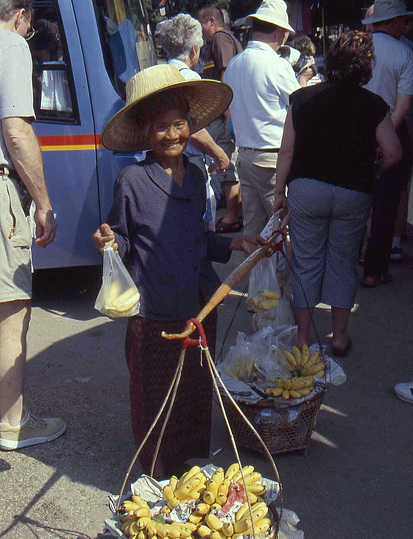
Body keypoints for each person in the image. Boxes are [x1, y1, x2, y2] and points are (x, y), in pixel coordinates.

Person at [92, 65, 270, 478]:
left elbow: (197, 237)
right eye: (161, 128)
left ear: (191, 125)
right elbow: (121, 237)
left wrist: (234, 242)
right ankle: (155, 466)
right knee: (153, 391)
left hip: (197, 302)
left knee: (192, 387)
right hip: (152, 307)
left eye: (180, 125)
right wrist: (108, 241)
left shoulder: (195, 176)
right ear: (144, 131)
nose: (172, 135)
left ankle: (186, 458)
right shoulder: (131, 181)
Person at [272, 31, 402, 355]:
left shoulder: (301, 98)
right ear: (366, 67)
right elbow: (394, 152)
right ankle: (339, 337)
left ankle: (302, 338)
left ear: (329, 62)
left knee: (306, 261)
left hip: (306, 190)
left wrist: (278, 192)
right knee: (343, 263)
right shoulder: (374, 105)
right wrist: (375, 171)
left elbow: (286, 152)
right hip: (353, 192)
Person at [0, 0, 65, 450]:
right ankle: (11, 423)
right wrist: (42, 204)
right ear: (21, 15)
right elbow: (17, 131)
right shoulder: (11, 44)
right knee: (10, 311)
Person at [224, 0, 312, 237]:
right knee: (285, 231)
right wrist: (303, 80)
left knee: (254, 231)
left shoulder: (234, 64)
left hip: (245, 156)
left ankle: (255, 276)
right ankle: (283, 276)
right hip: (272, 158)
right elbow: (302, 105)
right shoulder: (276, 65)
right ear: (279, 31)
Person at [156, 12, 230, 228]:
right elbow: (194, 129)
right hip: (191, 164)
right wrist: (219, 154)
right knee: (200, 226)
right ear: (193, 50)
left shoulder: (158, 74)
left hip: (164, 164)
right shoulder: (190, 79)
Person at [361, 0, 413, 287]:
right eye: (402, 21)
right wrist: (384, 137)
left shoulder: (358, 49)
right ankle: (374, 270)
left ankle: (347, 267)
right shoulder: (404, 52)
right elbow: (402, 107)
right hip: (391, 134)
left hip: (357, 133)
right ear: (394, 22)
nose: (405, 26)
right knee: (385, 204)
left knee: (355, 202)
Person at [197, 4, 243, 233]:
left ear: (212, 22)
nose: (201, 30)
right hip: (224, 112)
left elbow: (225, 72)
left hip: (223, 113)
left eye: (202, 24)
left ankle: (232, 216)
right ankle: (234, 210)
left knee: (226, 162)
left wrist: (226, 110)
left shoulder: (219, 39)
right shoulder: (222, 39)